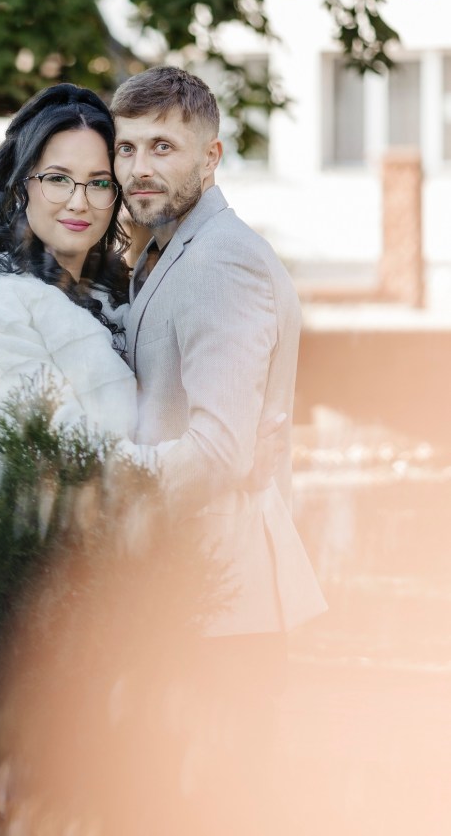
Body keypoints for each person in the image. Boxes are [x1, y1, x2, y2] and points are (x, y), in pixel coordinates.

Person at [110, 65, 326, 832]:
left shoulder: (219, 261)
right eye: (127, 147)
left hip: (221, 604)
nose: (138, 167)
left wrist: (91, 492)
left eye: (162, 146)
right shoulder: (175, 249)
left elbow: (218, 450)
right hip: (197, 598)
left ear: (211, 156)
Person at [0, 83, 138, 462]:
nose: (79, 202)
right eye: (58, 179)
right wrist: (197, 459)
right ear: (22, 185)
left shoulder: (112, 295)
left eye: (99, 183)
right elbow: (52, 458)